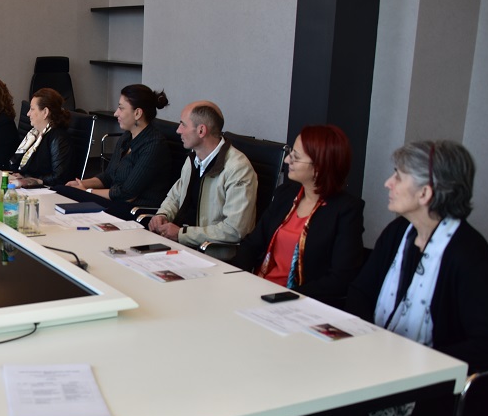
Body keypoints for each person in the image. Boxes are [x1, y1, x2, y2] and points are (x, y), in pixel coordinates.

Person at [264, 141, 488, 416]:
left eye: (398, 177)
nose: (387, 183)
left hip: (443, 381)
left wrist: (402, 358)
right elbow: (360, 294)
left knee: (338, 390)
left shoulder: (468, 254)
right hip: (384, 356)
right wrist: (359, 341)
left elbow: (484, 344)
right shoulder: (399, 232)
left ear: (426, 193)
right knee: (306, 361)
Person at [232, 125, 364, 308]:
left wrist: (286, 296)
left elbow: (340, 278)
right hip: (258, 290)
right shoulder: (285, 194)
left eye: (295, 157)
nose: (287, 160)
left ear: (319, 166)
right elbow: (252, 244)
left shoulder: (345, 210)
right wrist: (237, 279)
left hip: (298, 302)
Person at [147, 101, 257, 260]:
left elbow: (234, 230)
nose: (178, 130)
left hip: (209, 255)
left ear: (201, 130)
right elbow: (175, 196)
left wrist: (181, 234)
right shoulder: (192, 159)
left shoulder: (238, 169)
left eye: (183, 124)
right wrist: (163, 215)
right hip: (179, 245)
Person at [65, 84, 171, 212]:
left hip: (135, 211)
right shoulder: (127, 137)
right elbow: (109, 176)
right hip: (116, 203)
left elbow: (127, 195)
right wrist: (81, 184)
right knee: (64, 190)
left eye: (121, 108)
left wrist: (88, 191)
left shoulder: (154, 145)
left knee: (71, 200)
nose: (116, 113)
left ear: (137, 113)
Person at [8, 88, 73, 188]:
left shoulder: (58, 137)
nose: (28, 113)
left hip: (46, 190)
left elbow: (58, 177)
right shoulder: (33, 134)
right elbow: (16, 162)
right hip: (25, 186)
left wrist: (27, 179)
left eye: (32, 109)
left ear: (45, 112)